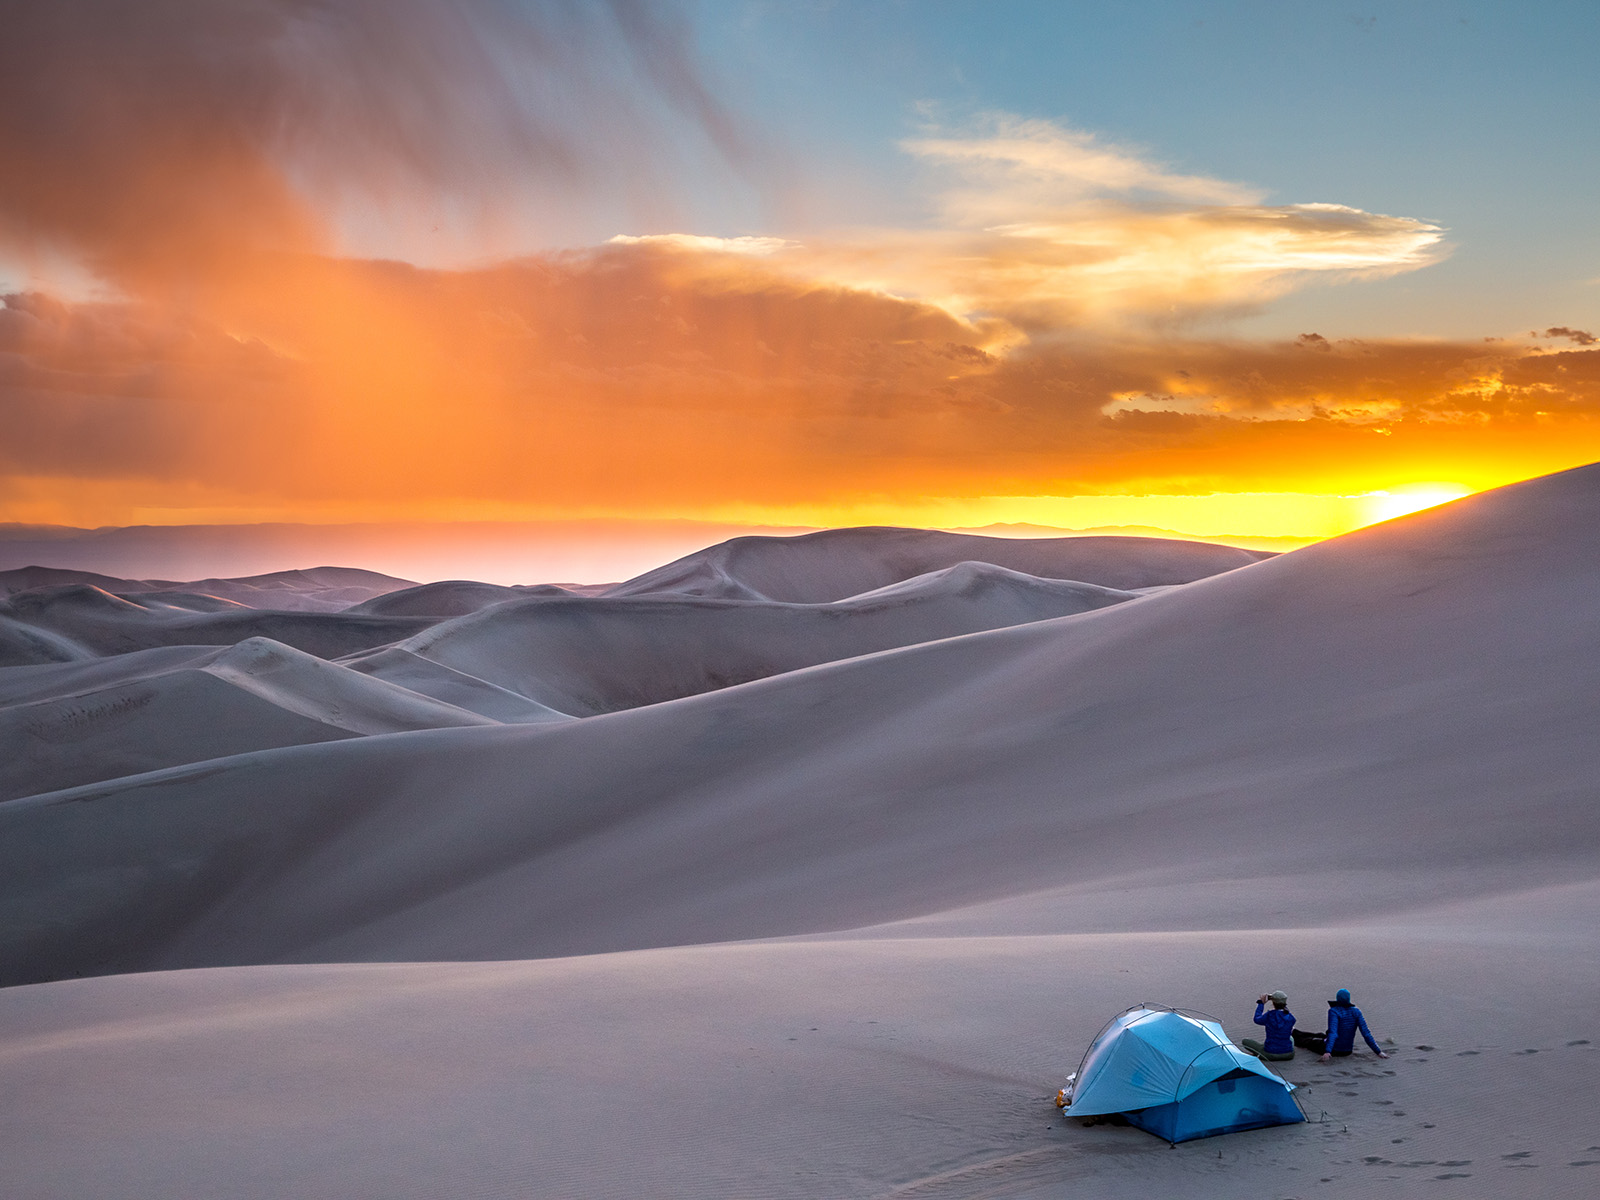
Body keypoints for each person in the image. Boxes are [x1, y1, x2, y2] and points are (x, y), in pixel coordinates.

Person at [1315, 988, 1389, 1062]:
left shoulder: (1334, 1011)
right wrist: (1378, 1052)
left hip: (1334, 1050)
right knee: (1320, 1035)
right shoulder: (1356, 1011)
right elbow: (1366, 1033)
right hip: (1348, 1051)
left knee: (1308, 1040)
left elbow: (1333, 1033)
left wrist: (1327, 1051)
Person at [1240, 990, 1296, 1061]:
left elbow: (1257, 1019)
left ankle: (1260, 1054)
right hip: (1289, 1054)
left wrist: (1261, 1003)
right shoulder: (1291, 1017)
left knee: (1246, 1041)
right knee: (1290, 1038)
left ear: (1273, 1002)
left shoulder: (1269, 1015)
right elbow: (1284, 1015)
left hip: (1270, 1054)